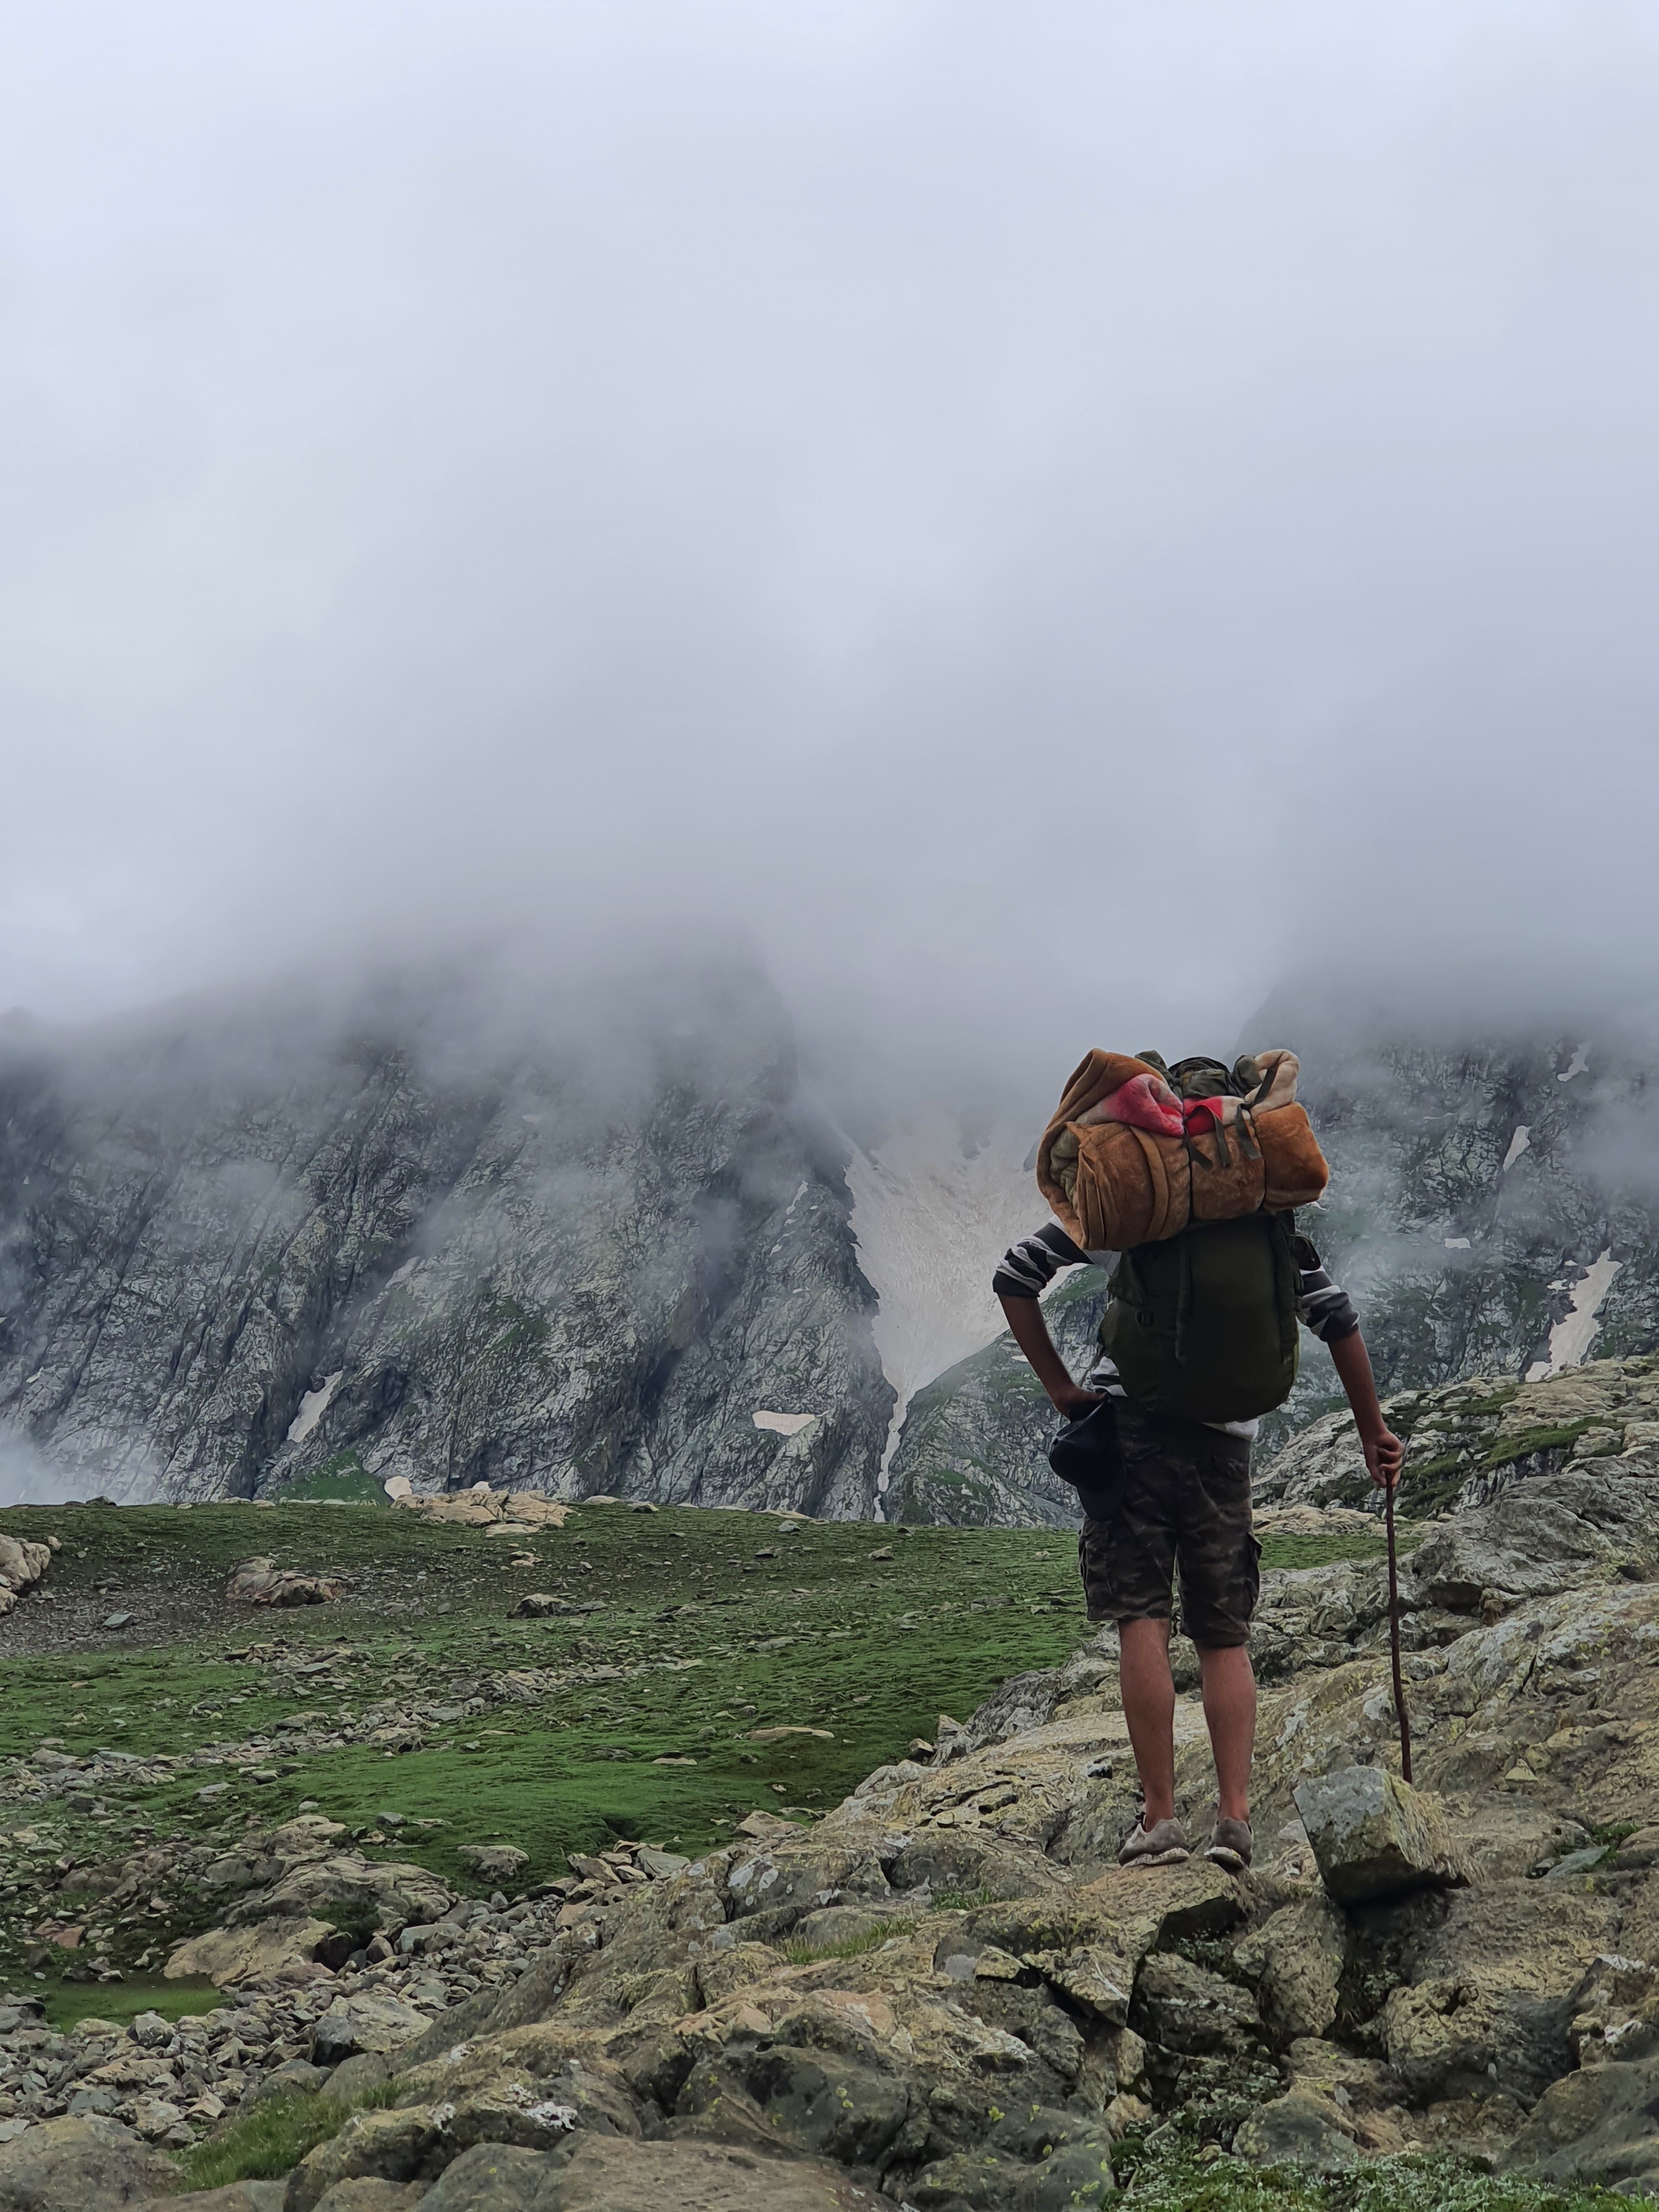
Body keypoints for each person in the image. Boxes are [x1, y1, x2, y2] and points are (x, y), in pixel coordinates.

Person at [992, 1206, 1403, 1874]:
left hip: (1131, 1437)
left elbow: (1015, 1275)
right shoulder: (1264, 1225)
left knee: (1142, 1619)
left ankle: (1160, 1820)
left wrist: (1062, 1388)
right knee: (1223, 1633)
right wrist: (1372, 1434)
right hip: (1224, 1448)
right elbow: (1339, 1318)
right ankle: (1235, 1820)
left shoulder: (1129, 1202)